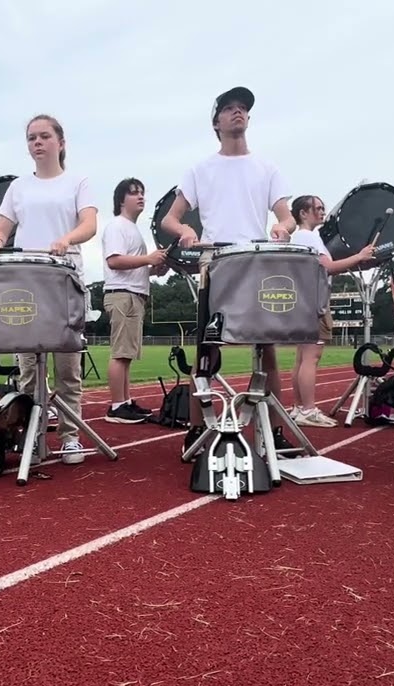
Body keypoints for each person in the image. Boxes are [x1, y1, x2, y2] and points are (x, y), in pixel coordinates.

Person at [159, 86, 297, 457]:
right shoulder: (200, 169)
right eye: (229, 108)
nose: (238, 113)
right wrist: (186, 229)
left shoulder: (268, 168)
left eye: (243, 108)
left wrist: (284, 228)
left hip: (255, 260)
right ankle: (196, 429)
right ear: (216, 122)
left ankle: (275, 431)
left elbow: (286, 216)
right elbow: (170, 218)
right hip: (215, 263)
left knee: (266, 349)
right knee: (207, 349)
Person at [0, 114, 97, 464]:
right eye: (32, 137)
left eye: (44, 136)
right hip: (26, 285)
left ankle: (69, 436)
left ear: (60, 143)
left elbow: (90, 224)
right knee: (28, 369)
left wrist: (67, 238)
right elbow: (3, 226)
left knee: (67, 367)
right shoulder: (18, 187)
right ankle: (31, 435)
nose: (37, 142)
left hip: (65, 280)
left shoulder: (78, 182)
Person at [286, 194, 375, 427]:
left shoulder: (299, 237)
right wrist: (359, 256)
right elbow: (329, 267)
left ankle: (299, 407)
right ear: (303, 213)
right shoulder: (309, 237)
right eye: (318, 208)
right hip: (314, 303)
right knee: (311, 358)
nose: (323, 212)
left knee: (301, 358)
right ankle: (308, 409)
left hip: (302, 302)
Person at [100, 177, 168, 423]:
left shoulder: (131, 228)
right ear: (121, 201)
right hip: (123, 294)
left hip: (132, 293)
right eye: (133, 193)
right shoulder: (117, 226)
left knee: (126, 353)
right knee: (120, 353)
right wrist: (148, 259)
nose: (140, 197)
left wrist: (152, 269)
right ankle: (117, 406)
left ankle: (125, 401)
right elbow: (114, 261)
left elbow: (131, 265)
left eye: (142, 192)